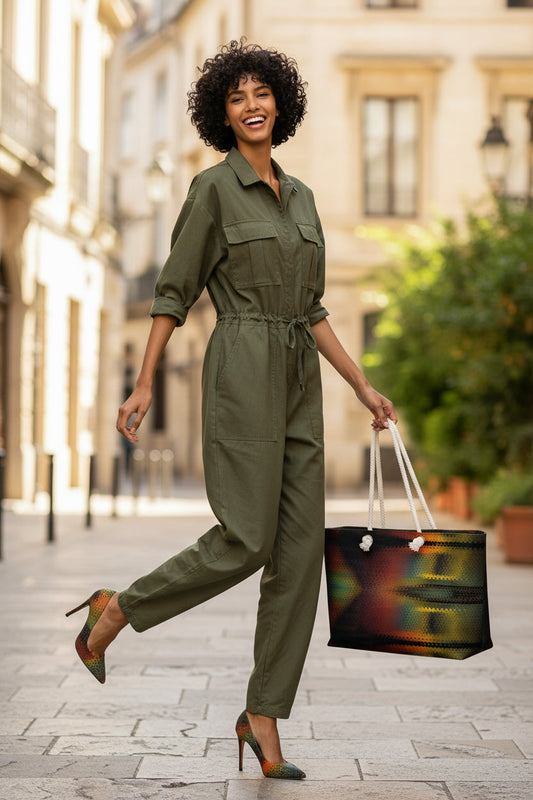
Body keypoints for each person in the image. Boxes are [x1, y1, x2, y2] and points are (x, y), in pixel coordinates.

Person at [66, 39, 397, 780]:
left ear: (281, 103)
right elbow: (174, 290)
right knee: (247, 537)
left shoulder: (302, 197)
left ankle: (263, 716)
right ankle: (118, 608)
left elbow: (313, 309)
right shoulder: (212, 190)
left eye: (261, 93)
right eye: (236, 97)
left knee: (298, 557)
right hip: (242, 368)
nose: (251, 105)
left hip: (300, 379)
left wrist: (359, 384)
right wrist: (145, 381)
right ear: (222, 114)